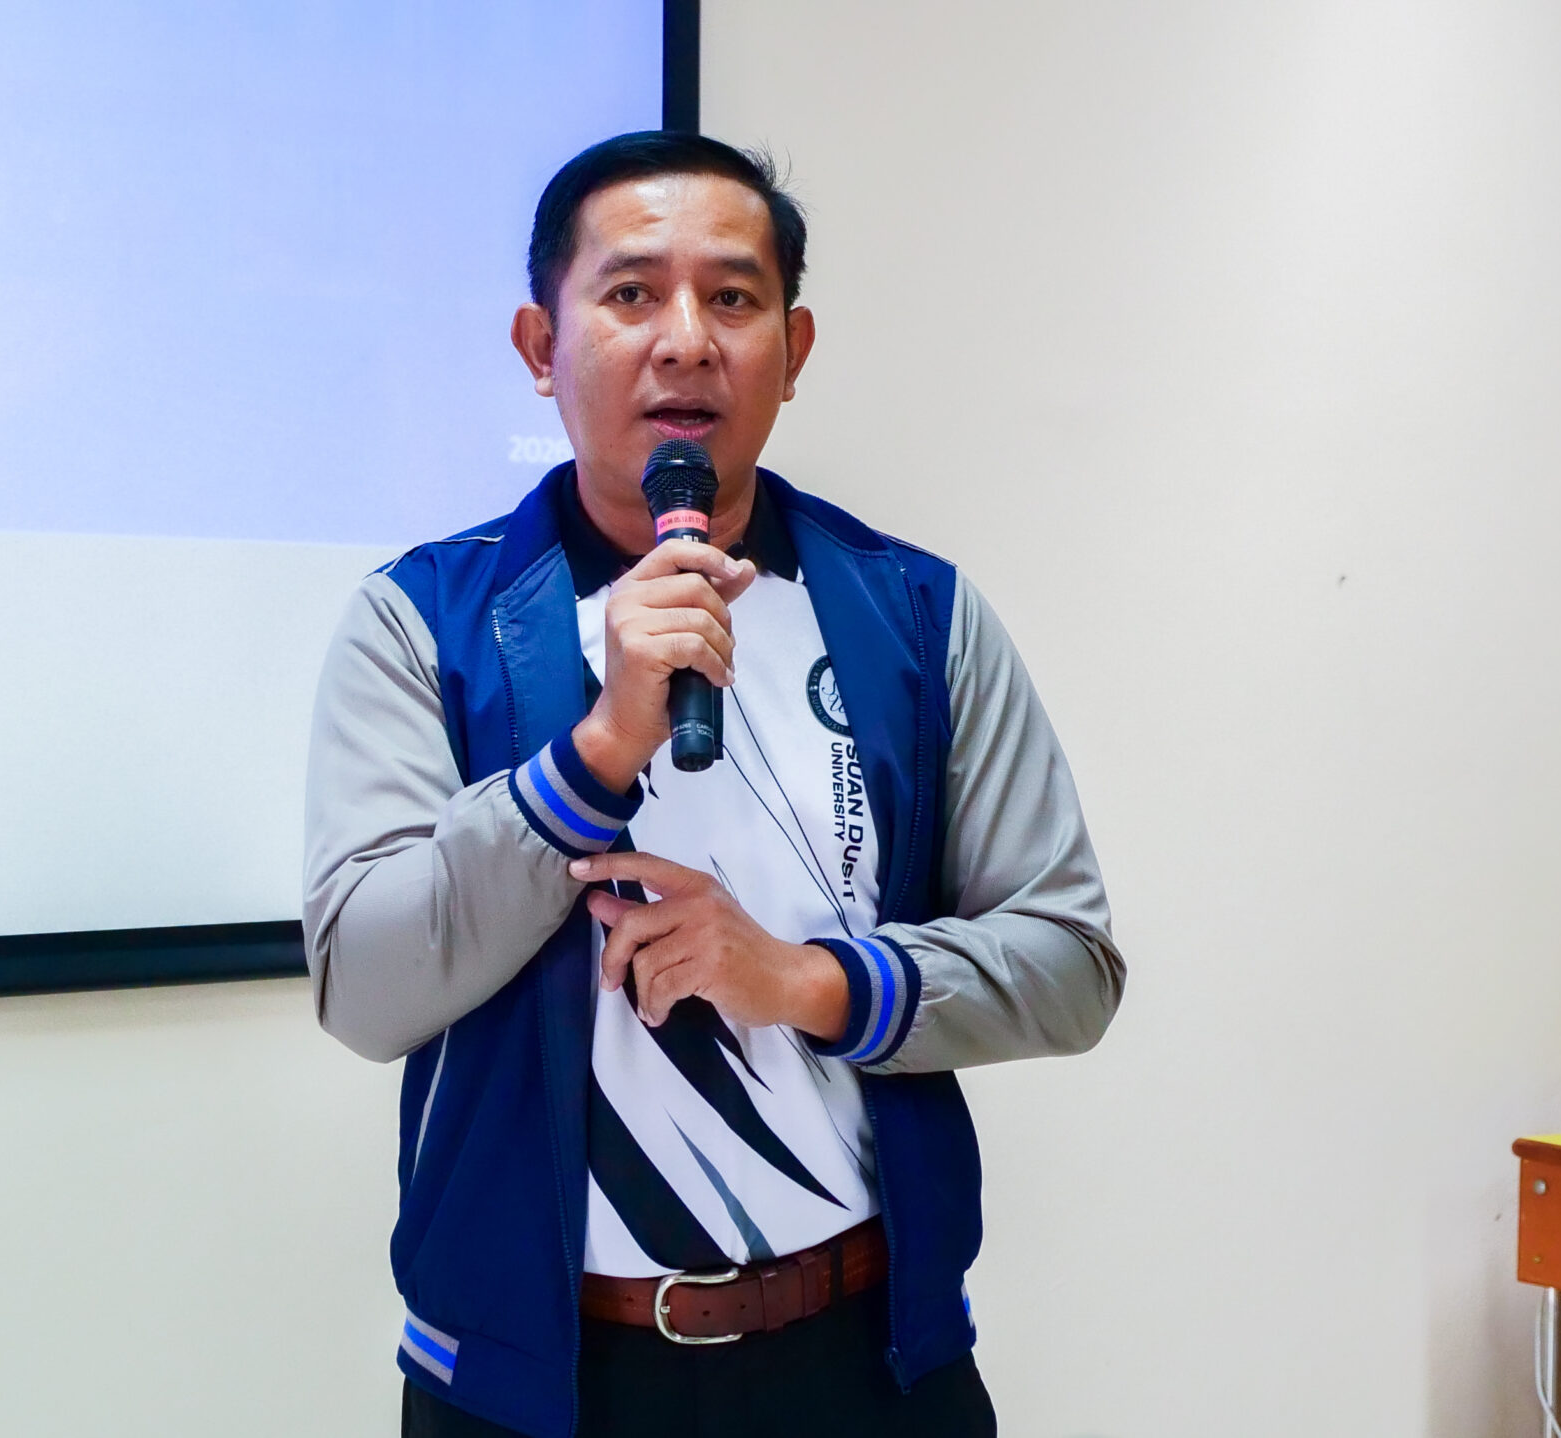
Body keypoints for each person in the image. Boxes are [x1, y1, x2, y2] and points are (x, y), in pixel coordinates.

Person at [302, 131, 1124, 1438]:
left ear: (793, 351)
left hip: (866, 1362)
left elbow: (1071, 962)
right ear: (539, 344)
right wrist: (593, 754)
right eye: (632, 293)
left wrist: (805, 981)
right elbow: (365, 985)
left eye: (733, 298)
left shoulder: (918, 618)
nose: (685, 340)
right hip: (537, 1387)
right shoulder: (422, 623)